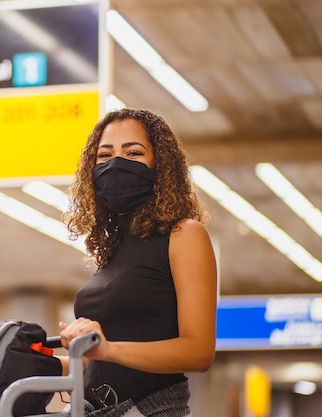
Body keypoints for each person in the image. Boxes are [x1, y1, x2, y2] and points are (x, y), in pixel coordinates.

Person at [57, 108, 217, 417]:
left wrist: (109, 349)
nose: (116, 164)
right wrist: (36, 362)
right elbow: (102, 361)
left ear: (160, 165)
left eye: (133, 152)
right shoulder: (112, 249)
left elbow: (199, 352)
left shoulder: (184, 235)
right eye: (105, 156)